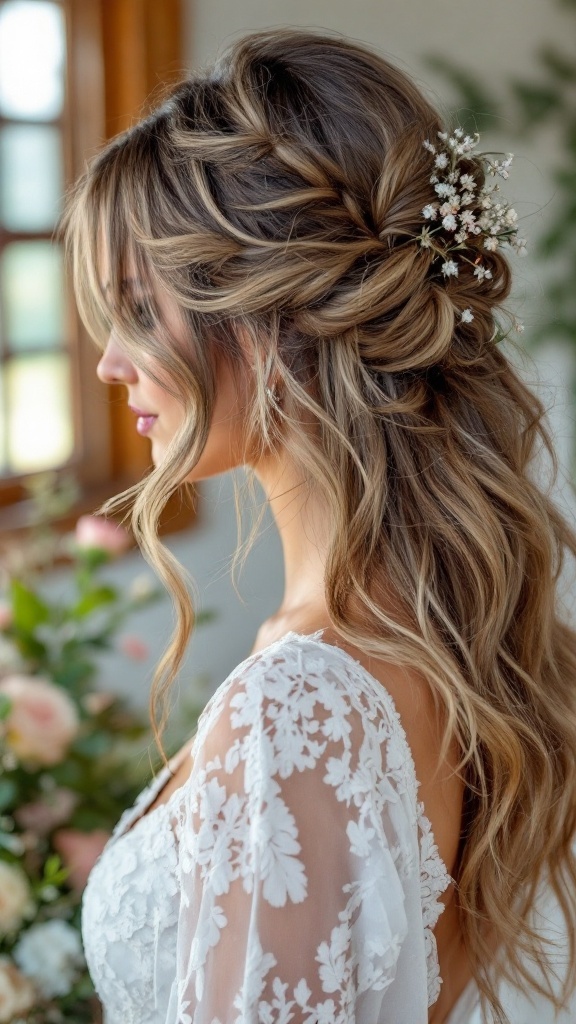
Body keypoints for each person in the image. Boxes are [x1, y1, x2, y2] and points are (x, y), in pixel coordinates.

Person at [62, 28, 576, 1024]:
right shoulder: (431, 635)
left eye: (137, 307)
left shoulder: (298, 707)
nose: (108, 364)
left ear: (275, 318)